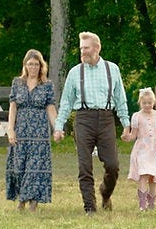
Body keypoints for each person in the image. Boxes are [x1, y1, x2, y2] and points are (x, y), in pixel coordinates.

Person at [53, 32, 130, 215]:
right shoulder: (75, 72)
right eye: (81, 48)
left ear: (97, 48)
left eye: (86, 48)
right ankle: (90, 207)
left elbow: (120, 99)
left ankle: (105, 193)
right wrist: (58, 127)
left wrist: (126, 124)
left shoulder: (112, 69)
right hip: (83, 120)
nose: (82, 51)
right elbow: (65, 103)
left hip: (106, 119)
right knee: (84, 166)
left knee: (112, 165)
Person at [6, 49, 57, 212]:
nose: (33, 67)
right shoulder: (17, 83)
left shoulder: (47, 85)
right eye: (30, 64)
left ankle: (33, 201)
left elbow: (50, 108)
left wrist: (57, 128)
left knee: (35, 166)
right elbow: (13, 107)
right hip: (21, 129)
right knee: (19, 165)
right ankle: (21, 199)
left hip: (39, 132)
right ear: (25, 66)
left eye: (36, 64)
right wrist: (10, 129)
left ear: (41, 66)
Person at [121, 87, 156, 211]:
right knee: (143, 175)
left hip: (154, 150)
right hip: (142, 150)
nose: (147, 105)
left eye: (149, 103)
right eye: (144, 103)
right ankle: (142, 204)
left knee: (153, 177)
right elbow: (134, 135)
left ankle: (152, 203)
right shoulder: (137, 116)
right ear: (140, 103)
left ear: (154, 102)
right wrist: (127, 137)